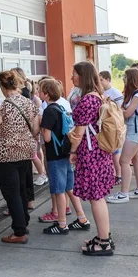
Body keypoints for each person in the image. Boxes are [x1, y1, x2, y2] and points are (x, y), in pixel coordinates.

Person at [0, 70, 40, 244]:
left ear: (2, 86)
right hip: (25, 152)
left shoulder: (1, 106)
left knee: (12, 193)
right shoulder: (28, 103)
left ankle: (19, 231)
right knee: (21, 190)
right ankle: (23, 223)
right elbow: (34, 129)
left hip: (5, 156)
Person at [68, 61, 115, 254]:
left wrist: (72, 151)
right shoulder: (98, 96)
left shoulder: (87, 100)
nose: (71, 77)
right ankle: (104, 237)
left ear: (83, 76)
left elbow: (78, 133)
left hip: (91, 153)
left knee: (96, 198)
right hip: (99, 152)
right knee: (99, 197)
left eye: (74, 74)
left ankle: (103, 242)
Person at [39, 79, 89, 234]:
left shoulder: (48, 111)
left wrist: (41, 127)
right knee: (69, 187)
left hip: (54, 155)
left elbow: (47, 138)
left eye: (40, 90)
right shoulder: (61, 108)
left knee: (59, 190)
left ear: (46, 94)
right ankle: (82, 218)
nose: (38, 92)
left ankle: (61, 224)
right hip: (65, 152)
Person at [106, 68, 138, 203]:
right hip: (134, 130)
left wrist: (114, 108)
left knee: (123, 161)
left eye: (125, 77)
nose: (123, 79)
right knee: (135, 160)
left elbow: (128, 113)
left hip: (136, 131)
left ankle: (124, 193)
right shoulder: (133, 94)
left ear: (131, 78)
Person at [12, 67, 47, 188]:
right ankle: (40, 172)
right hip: (31, 129)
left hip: (29, 129)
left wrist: (35, 131)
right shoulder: (27, 92)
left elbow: (34, 114)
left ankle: (42, 173)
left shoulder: (26, 94)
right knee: (34, 153)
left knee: (33, 154)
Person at [100, 70, 124, 184]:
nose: (100, 82)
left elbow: (119, 110)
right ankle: (110, 174)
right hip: (103, 125)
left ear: (108, 80)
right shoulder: (100, 92)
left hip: (113, 125)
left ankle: (118, 175)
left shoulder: (116, 93)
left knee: (115, 152)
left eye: (101, 80)